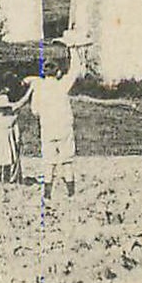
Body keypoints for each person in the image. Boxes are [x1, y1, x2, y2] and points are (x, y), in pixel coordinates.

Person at [20, 43, 87, 200]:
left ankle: (47, 195)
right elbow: (75, 70)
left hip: (47, 128)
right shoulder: (62, 85)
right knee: (67, 161)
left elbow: (35, 111)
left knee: (49, 162)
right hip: (64, 127)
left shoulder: (39, 88)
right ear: (57, 72)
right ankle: (71, 193)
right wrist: (72, 49)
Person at [0, 88, 29, 184]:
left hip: (9, 141)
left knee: (8, 160)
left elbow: (15, 129)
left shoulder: (11, 119)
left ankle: (6, 179)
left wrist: (17, 140)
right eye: (0, 109)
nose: (2, 111)